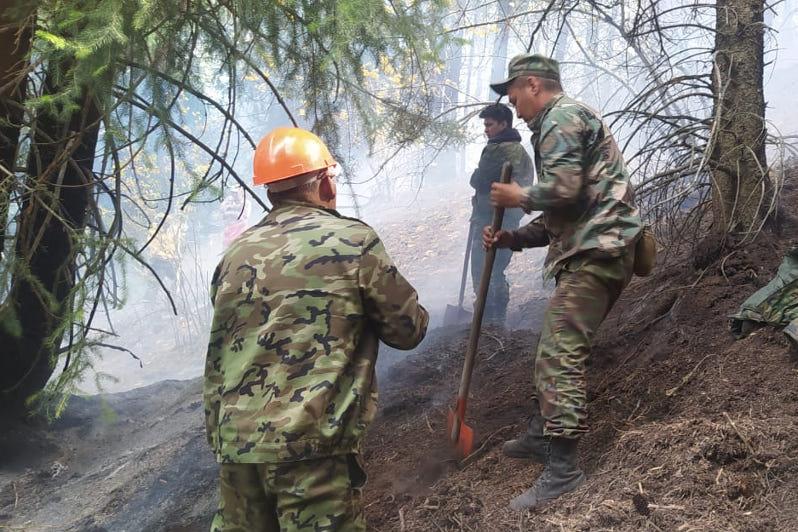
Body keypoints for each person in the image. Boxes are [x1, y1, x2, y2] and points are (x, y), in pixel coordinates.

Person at [204, 127, 429, 531]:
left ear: (271, 191)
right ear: (325, 182)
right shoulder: (353, 241)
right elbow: (406, 330)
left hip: (237, 447)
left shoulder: (234, 256)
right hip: (308, 444)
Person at [483, 54, 644, 510]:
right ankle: (541, 435)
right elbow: (566, 209)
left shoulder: (562, 118)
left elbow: (564, 190)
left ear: (532, 84)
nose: (510, 103)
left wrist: (519, 195)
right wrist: (513, 236)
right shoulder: (561, 121)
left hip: (600, 253)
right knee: (552, 348)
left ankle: (564, 470)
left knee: (559, 355)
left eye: (512, 91)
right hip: (594, 249)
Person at [468, 104, 533, 324]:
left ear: (504, 124)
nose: (486, 129)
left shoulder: (498, 149)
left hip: (491, 219)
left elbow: (478, 179)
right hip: (509, 219)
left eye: (489, 124)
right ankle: (496, 319)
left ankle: (488, 320)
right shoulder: (520, 151)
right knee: (496, 267)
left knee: (483, 267)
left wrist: (477, 179)